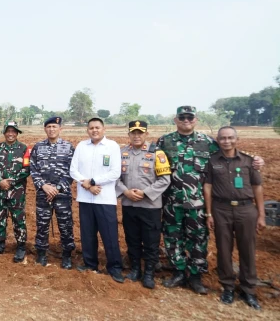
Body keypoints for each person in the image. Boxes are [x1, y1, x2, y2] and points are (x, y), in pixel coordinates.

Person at [156, 106, 264, 294]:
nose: (186, 120)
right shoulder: (164, 142)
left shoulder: (207, 142)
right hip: (172, 202)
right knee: (172, 238)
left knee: (199, 240)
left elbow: (229, 151)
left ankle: (196, 277)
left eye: (190, 117)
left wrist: (255, 159)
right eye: (182, 117)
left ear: (196, 120)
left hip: (199, 204)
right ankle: (179, 272)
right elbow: (150, 161)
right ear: (176, 120)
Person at [204, 126, 265, 310]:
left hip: (246, 210)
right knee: (223, 250)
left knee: (247, 250)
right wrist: (209, 213)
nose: (226, 141)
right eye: (222, 138)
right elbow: (207, 187)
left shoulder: (249, 161)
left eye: (230, 138)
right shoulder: (213, 161)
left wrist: (261, 214)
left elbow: (257, 187)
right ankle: (228, 287)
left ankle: (248, 290)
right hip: (221, 209)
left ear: (236, 139)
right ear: (218, 140)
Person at [115, 121, 171, 289]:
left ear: (146, 134)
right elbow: (115, 177)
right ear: (129, 135)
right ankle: (135, 269)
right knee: (132, 239)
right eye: (133, 133)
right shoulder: (122, 153)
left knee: (151, 241)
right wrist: (125, 192)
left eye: (140, 133)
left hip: (150, 206)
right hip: (129, 204)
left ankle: (149, 273)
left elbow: (164, 180)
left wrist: (145, 192)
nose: (137, 136)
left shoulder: (157, 153)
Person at [70, 118, 123, 282]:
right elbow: (73, 170)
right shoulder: (81, 146)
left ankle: (114, 268)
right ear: (87, 130)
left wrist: (93, 181)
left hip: (104, 199)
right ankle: (90, 264)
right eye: (91, 128)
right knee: (87, 234)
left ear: (103, 129)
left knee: (110, 235)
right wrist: (86, 184)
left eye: (97, 127)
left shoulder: (112, 146)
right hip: (85, 198)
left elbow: (115, 172)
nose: (94, 130)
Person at [30, 116, 75, 269]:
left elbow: (72, 171)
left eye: (54, 127)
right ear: (45, 129)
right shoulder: (38, 147)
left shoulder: (68, 147)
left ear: (60, 129)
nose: (51, 129)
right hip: (43, 194)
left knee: (65, 225)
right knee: (42, 225)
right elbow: (33, 169)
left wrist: (58, 188)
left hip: (62, 195)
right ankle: (41, 253)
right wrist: (44, 186)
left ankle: (67, 255)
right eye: (48, 127)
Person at [0, 121, 31, 262]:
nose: (10, 134)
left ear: (17, 133)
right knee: (0, 218)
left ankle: (21, 247)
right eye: (8, 131)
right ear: (4, 133)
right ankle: (0, 245)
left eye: (13, 131)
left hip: (17, 192)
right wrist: (0, 181)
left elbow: (27, 169)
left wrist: (12, 181)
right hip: (0, 191)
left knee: (18, 219)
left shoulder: (24, 149)